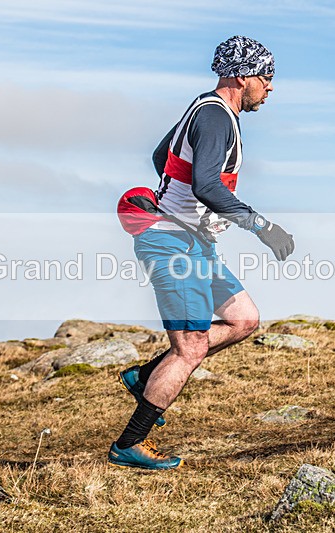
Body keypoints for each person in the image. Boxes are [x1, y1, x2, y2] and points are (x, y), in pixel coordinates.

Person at [108, 35, 295, 470]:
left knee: (244, 319)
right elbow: (207, 185)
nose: (270, 87)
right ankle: (130, 443)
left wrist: (184, 206)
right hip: (172, 242)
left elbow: (162, 156)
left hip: (191, 239)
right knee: (190, 347)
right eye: (266, 77)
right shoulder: (215, 117)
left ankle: (145, 374)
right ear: (242, 76)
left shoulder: (205, 109)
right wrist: (261, 226)